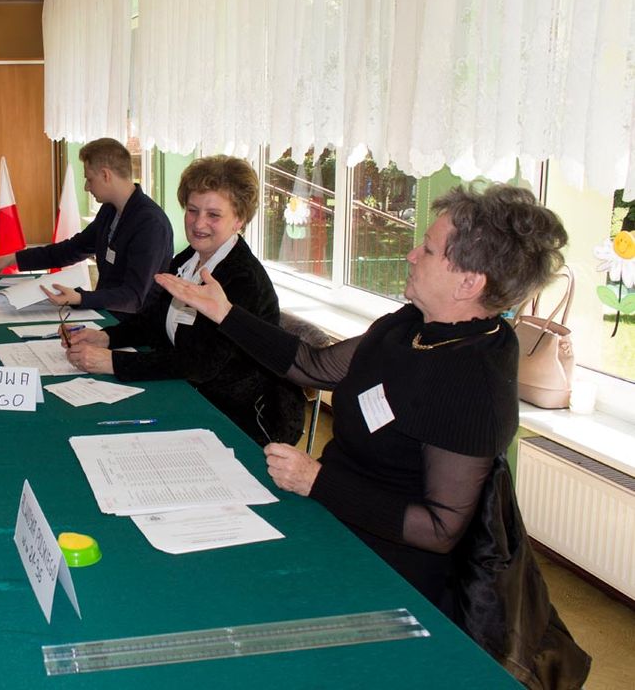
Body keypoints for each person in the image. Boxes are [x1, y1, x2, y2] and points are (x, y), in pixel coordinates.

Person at [155, 185, 567, 609]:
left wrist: (317, 480)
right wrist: (225, 312)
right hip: (329, 517)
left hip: (387, 570)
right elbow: (316, 366)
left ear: (468, 282)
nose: (410, 255)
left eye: (426, 249)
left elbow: (439, 528)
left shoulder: (474, 381)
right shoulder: (413, 324)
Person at [64, 156, 303, 444]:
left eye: (213, 215)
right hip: (183, 391)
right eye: (192, 210)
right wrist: (104, 337)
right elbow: (152, 322)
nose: (199, 223)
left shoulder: (243, 280)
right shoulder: (188, 258)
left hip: (232, 417)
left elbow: (200, 364)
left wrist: (114, 362)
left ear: (239, 219)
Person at [0, 138, 174, 318]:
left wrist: (80, 298)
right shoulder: (109, 210)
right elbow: (71, 249)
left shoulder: (151, 224)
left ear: (105, 175)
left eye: (89, 179)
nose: (86, 187)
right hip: (104, 314)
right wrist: (14, 258)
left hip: (132, 326)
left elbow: (133, 297)